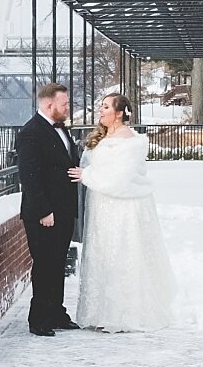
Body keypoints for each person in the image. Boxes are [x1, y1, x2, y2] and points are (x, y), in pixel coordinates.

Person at [71, 92, 178, 331]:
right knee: (102, 255)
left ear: (119, 113)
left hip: (122, 208)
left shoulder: (129, 140)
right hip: (101, 207)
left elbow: (121, 177)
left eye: (106, 107)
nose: (101, 111)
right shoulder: (103, 137)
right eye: (101, 106)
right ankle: (99, 313)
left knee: (121, 254)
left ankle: (123, 314)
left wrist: (87, 176)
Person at [15, 82, 82, 337]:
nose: (68, 108)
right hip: (43, 214)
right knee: (44, 265)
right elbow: (30, 177)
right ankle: (39, 318)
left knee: (57, 264)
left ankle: (56, 312)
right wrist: (43, 210)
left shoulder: (59, 129)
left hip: (63, 210)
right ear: (48, 104)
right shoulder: (31, 132)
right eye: (64, 104)